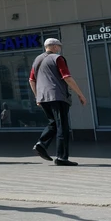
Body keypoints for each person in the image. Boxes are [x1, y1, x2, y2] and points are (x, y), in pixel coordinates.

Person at [29, 38, 88, 166]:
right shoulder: (58, 58)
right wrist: (80, 94)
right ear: (54, 47)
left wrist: (37, 97)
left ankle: (41, 144)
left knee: (53, 123)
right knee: (63, 127)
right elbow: (67, 77)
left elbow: (31, 80)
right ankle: (62, 158)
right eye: (59, 46)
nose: (60, 48)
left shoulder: (37, 60)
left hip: (43, 97)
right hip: (57, 96)